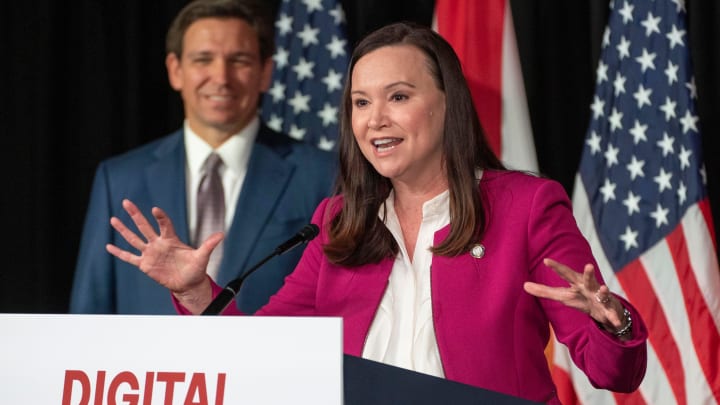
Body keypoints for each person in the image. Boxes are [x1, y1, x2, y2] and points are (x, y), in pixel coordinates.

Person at [105, 22, 648, 404]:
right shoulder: (340, 222)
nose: (375, 119)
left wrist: (611, 319)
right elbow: (261, 356)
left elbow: (614, 373)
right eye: (361, 102)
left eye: (398, 97)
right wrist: (198, 291)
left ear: (445, 102)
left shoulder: (526, 206)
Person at [70, 0, 336, 314]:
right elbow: (88, 317)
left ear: (266, 72)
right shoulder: (119, 179)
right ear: (175, 70)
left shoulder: (324, 175)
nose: (221, 77)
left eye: (239, 60)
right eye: (203, 59)